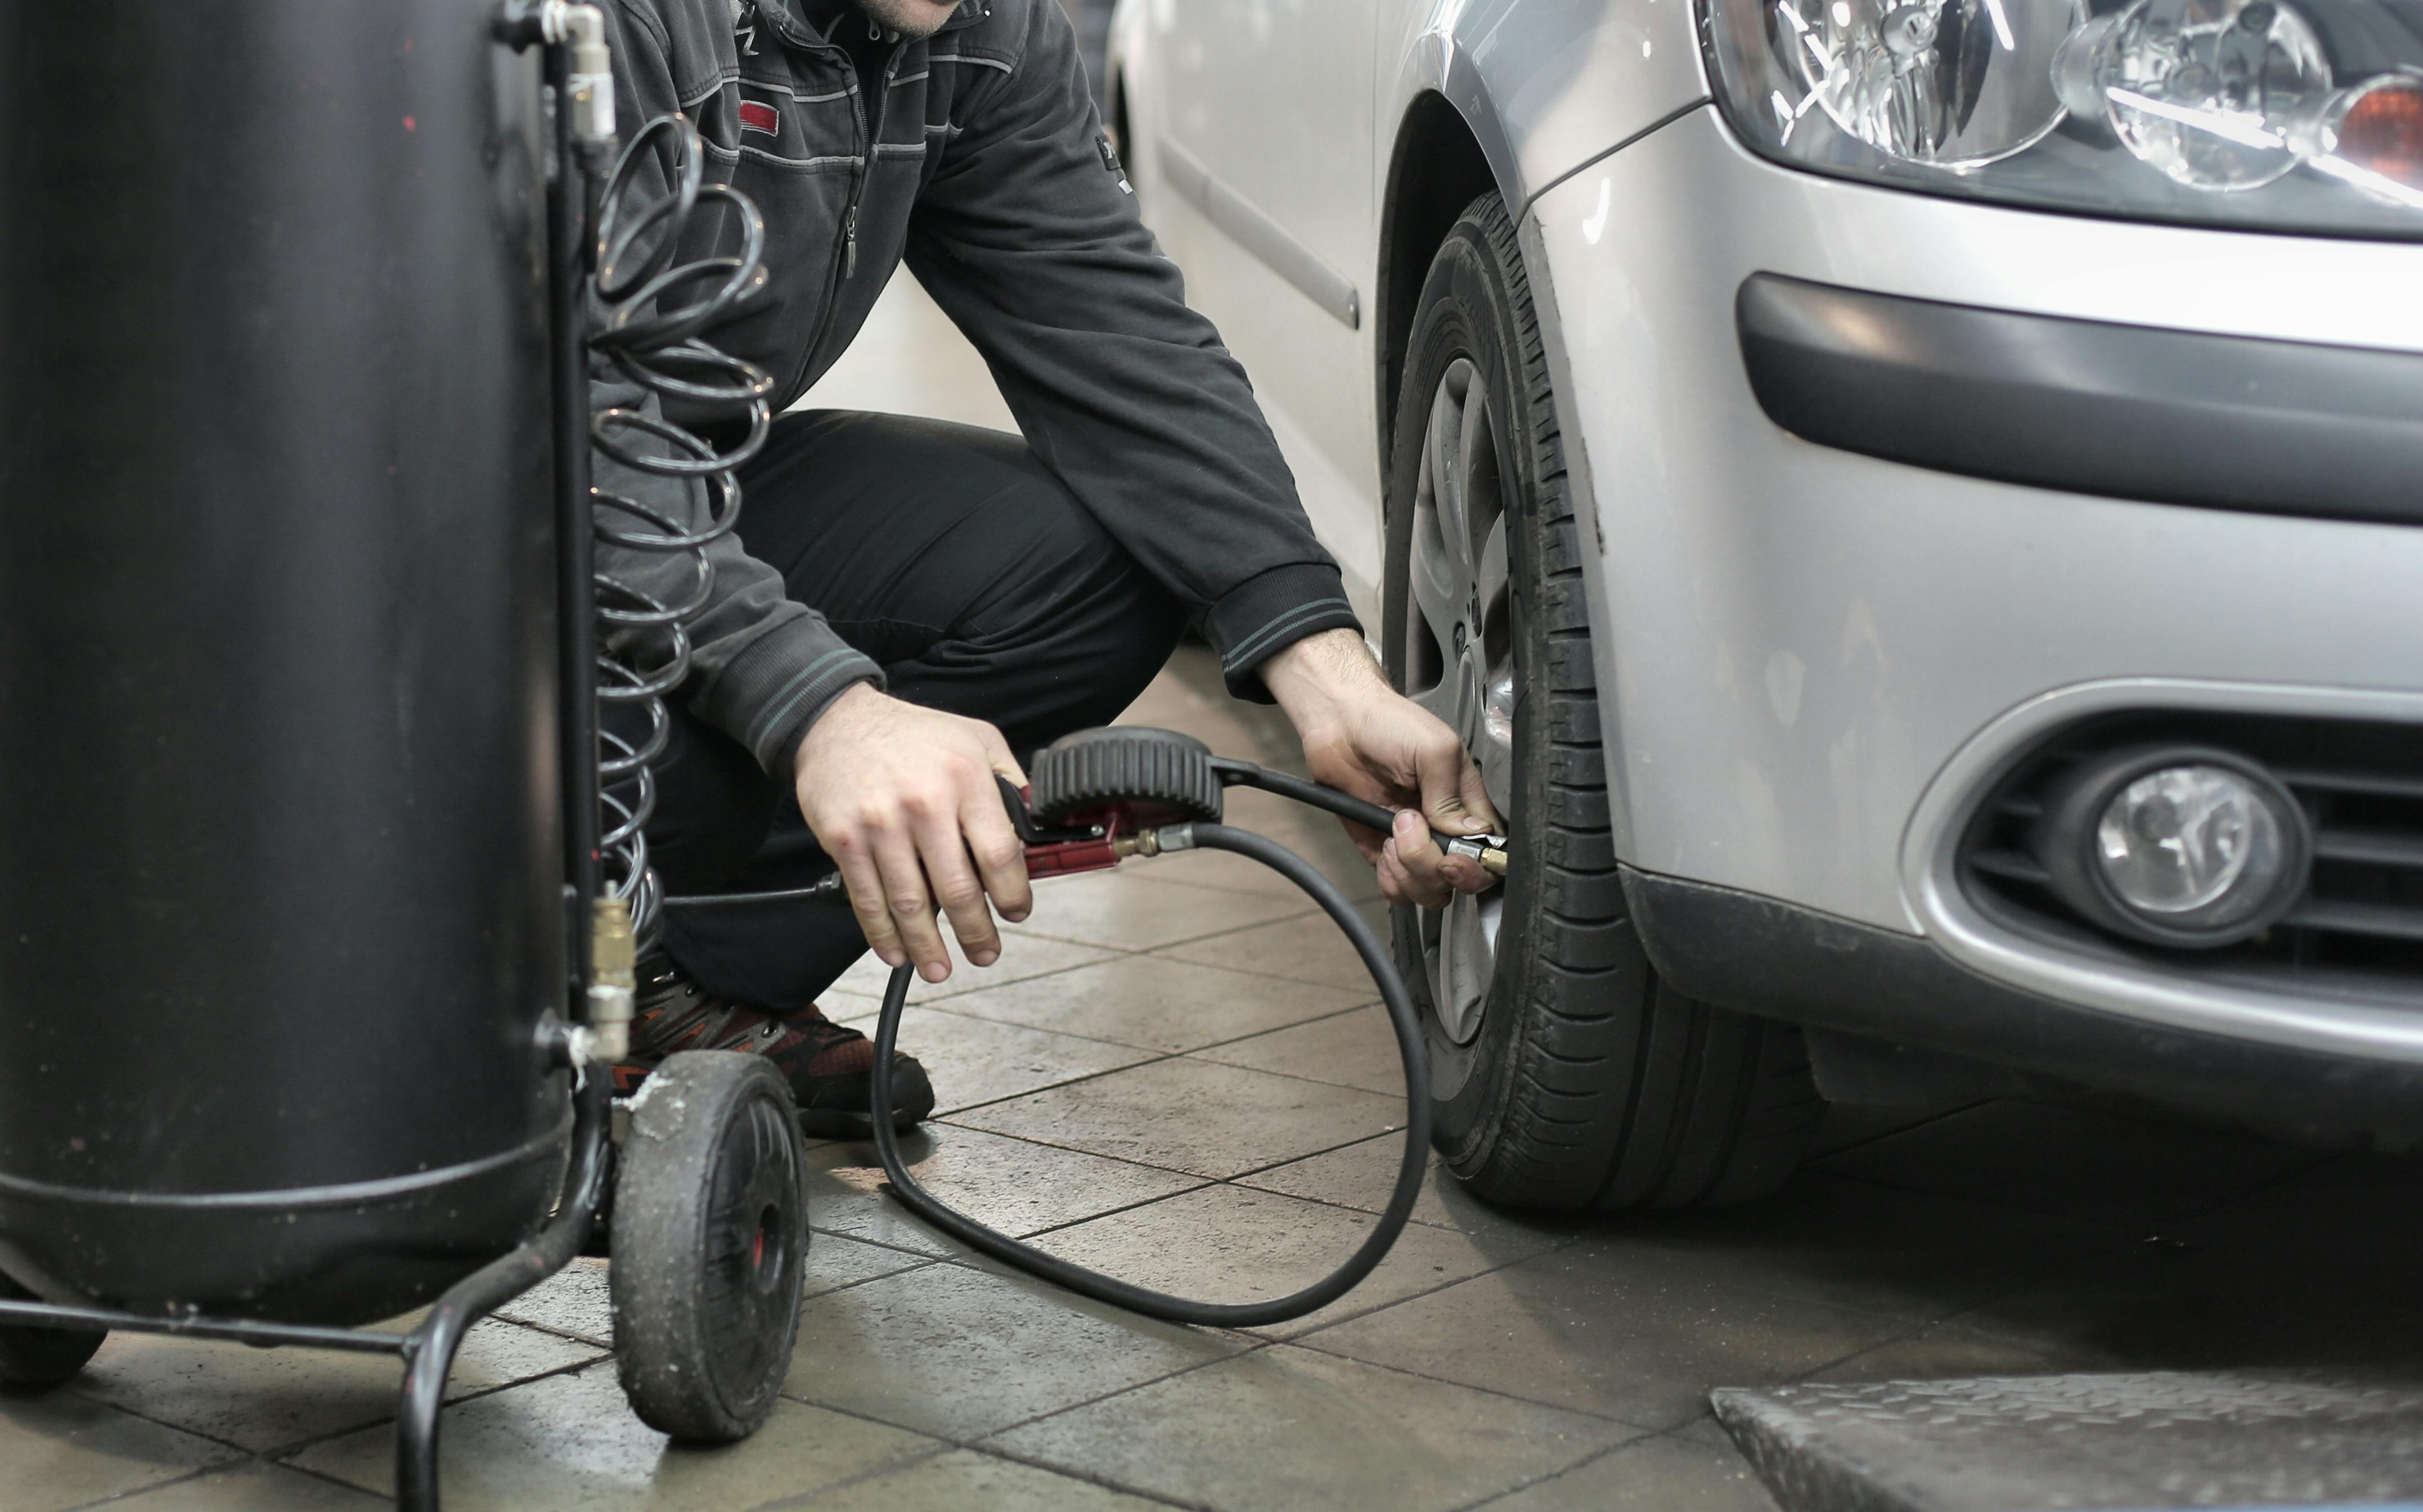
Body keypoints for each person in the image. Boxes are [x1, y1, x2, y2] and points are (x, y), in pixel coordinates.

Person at [595, 0, 1500, 1135]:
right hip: (428, 535)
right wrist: (819, 707)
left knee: (1096, 564)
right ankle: (475, 941)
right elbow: (535, 412)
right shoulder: (617, 22)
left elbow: (1112, 332)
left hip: (662, 481)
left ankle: (659, 975)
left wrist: (1327, 672)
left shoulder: (972, 28)